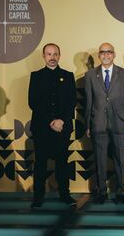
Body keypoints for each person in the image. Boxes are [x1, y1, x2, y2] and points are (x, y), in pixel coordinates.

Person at [28, 43, 77, 208]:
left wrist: (61, 120)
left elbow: (72, 101)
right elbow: (33, 102)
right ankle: (38, 197)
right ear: (44, 56)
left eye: (55, 54)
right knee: (40, 163)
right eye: (49, 54)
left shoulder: (68, 76)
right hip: (42, 128)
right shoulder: (36, 76)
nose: (52, 57)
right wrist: (51, 121)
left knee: (63, 162)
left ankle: (65, 194)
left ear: (59, 55)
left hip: (62, 127)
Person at [85, 42, 124, 204]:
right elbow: (89, 102)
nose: (106, 55)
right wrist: (88, 125)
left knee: (120, 159)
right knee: (100, 160)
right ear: (99, 55)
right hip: (98, 124)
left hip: (120, 123)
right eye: (102, 52)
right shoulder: (90, 75)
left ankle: (120, 190)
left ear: (114, 54)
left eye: (109, 52)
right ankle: (101, 191)